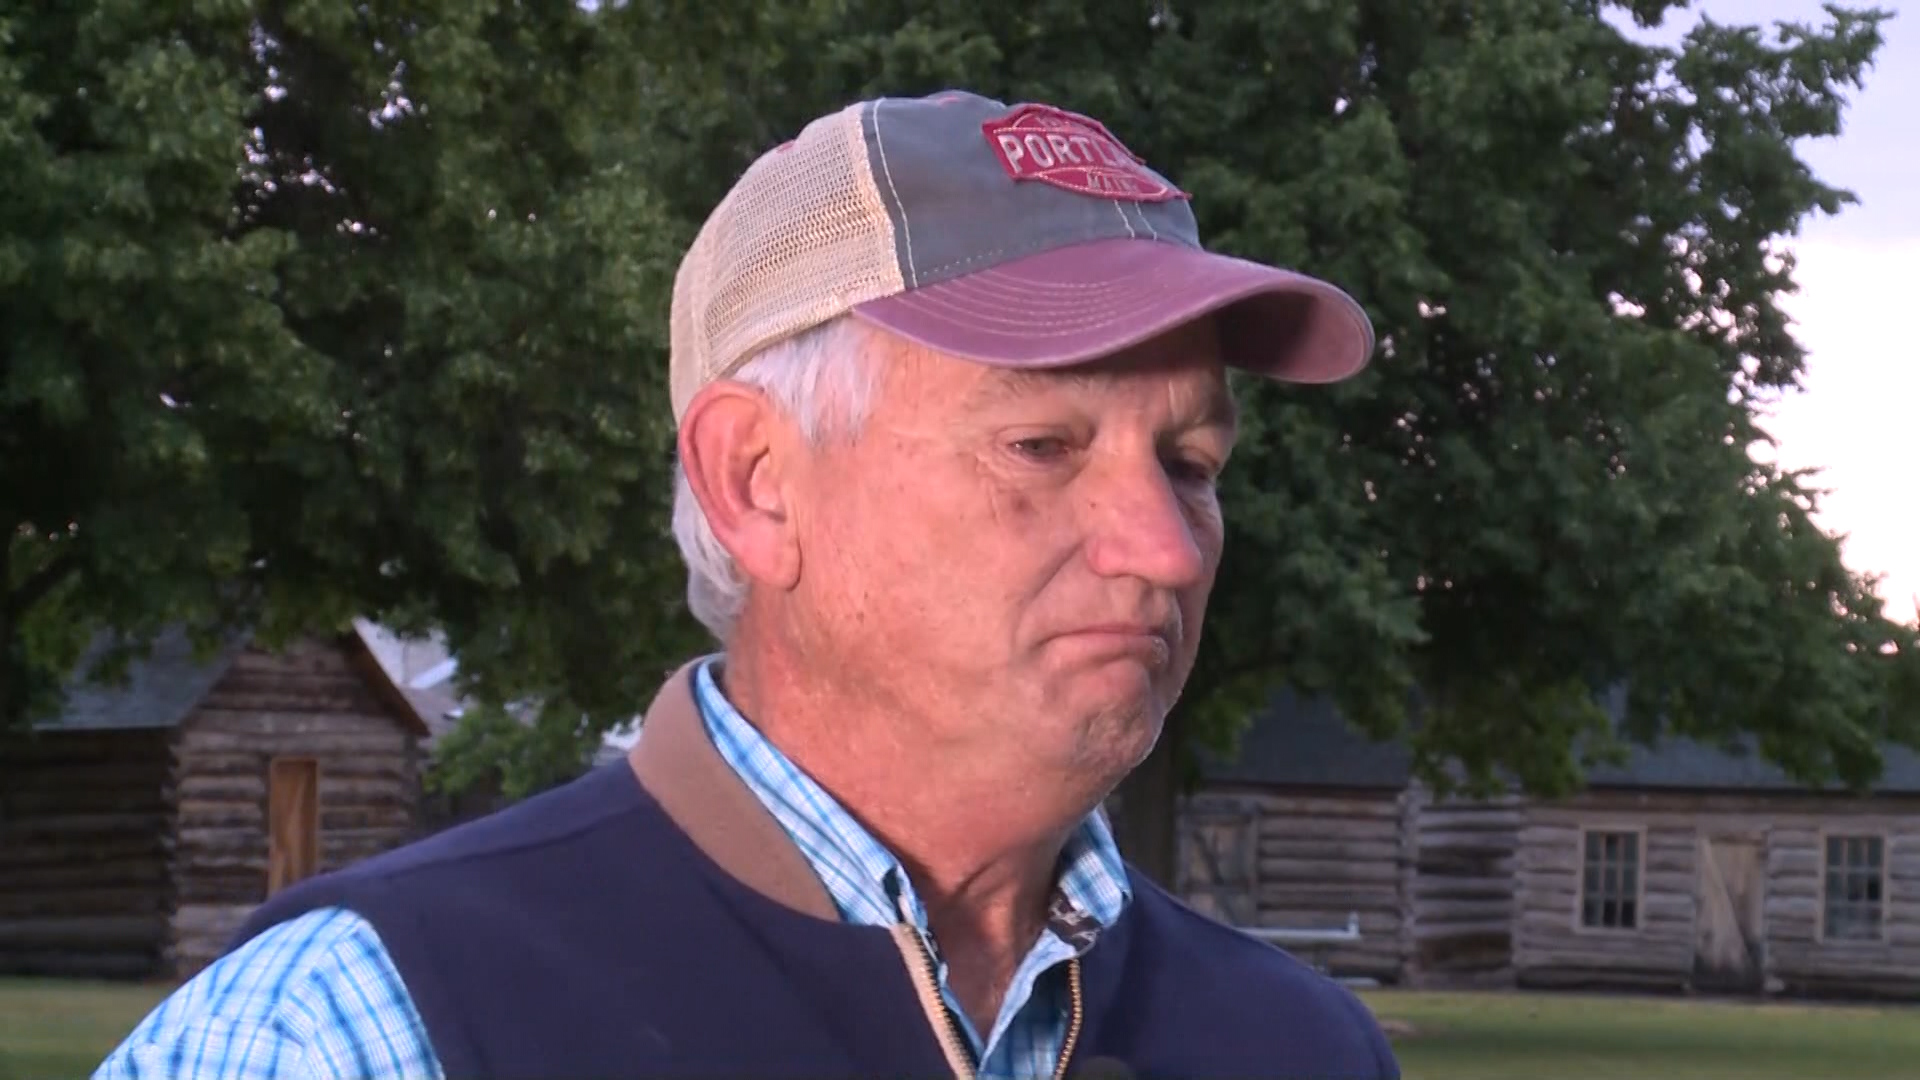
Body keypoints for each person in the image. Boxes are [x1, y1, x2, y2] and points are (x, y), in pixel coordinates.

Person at [94, 89, 1397, 1080]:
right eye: (1041, 448)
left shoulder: (1299, 1049)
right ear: (759, 481)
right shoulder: (366, 1027)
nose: (1163, 547)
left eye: (1190, 461)